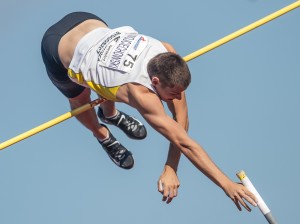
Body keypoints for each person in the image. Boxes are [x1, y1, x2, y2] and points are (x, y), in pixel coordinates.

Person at [41, 12, 258, 210]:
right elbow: (184, 141)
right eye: (173, 93)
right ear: (154, 81)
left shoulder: (167, 51)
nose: (178, 98)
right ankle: (103, 135)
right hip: (58, 49)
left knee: (107, 81)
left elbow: (182, 118)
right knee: (81, 99)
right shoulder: (142, 94)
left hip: (88, 22)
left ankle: (110, 115)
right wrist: (226, 184)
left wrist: (171, 167)